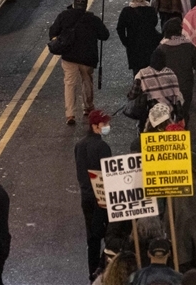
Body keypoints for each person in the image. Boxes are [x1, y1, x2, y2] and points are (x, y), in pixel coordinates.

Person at [50, 0, 110, 126]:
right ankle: (88, 107)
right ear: (86, 4)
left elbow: (53, 32)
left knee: (69, 84)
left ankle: (70, 114)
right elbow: (105, 35)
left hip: (69, 57)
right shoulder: (92, 19)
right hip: (88, 58)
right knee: (87, 82)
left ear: (74, 2)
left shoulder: (64, 16)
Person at [76, 109, 113, 280]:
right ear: (95, 126)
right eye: (104, 124)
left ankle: (92, 274)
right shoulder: (102, 147)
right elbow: (108, 173)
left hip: (86, 197)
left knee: (92, 238)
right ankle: (104, 270)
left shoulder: (79, 146)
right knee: (107, 234)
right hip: (101, 198)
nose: (107, 127)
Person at [116, 0, 161, 74]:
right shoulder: (150, 10)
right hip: (149, 43)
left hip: (133, 44)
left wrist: (125, 42)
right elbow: (154, 23)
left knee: (137, 71)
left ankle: (138, 86)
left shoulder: (126, 11)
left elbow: (120, 28)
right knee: (149, 69)